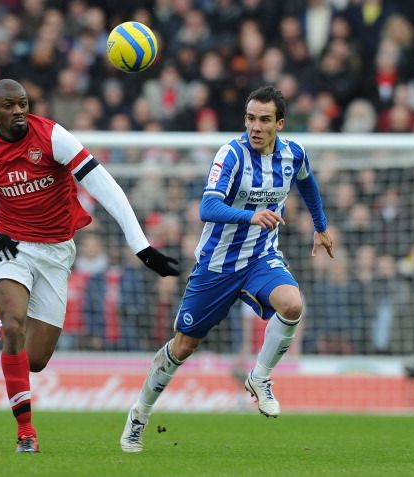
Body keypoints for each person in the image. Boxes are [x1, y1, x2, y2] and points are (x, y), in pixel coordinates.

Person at [0, 79, 179, 454]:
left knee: (36, 360)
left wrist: (140, 246)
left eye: (23, 103)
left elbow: (105, 186)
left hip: (57, 252)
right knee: (14, 328)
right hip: (10, 248)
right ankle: (26, 432)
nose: (19, 111)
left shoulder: (53, 136)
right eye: (9, 105)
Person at [120, 85, 334, 453]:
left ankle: (260, 378)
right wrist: (252, 216)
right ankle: (138, 416)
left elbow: (308, 183)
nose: (256, 126)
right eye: (251, 118)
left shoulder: (293, 154)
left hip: (260, 259)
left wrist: (320, 225)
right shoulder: (231, 155)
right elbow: (207, 208)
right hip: (216, 266)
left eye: (265, 120)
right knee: (183, 346)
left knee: (293, 305)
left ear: (279, 123)